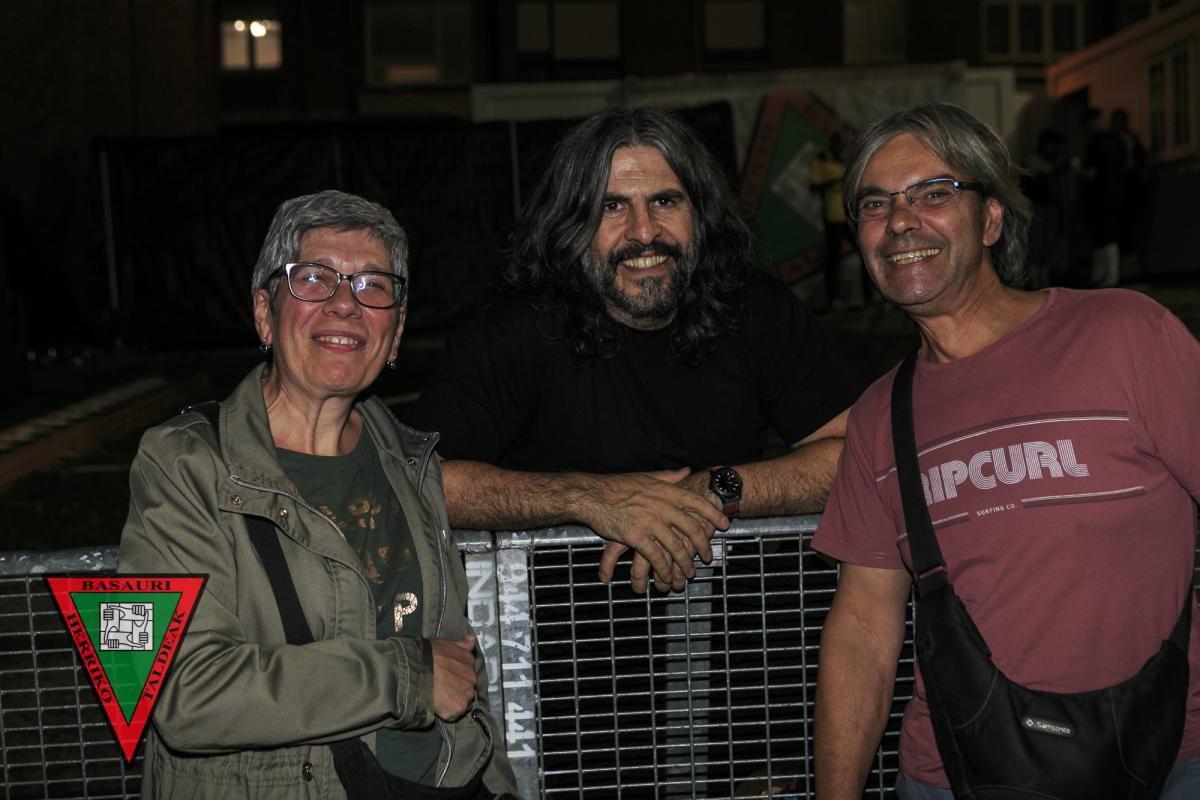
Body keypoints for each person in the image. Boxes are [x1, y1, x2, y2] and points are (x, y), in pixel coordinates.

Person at [811, 102, 1200, 799]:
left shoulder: (1126, 336)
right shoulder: (878, 416)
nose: (900, 221)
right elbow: (864, 626)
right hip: (953, 776)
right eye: (875, 203)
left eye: (933, 193)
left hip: (1168, 757)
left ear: (991, 219)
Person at [118, 191, 518, 798]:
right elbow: (178, 693)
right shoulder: (181, 465)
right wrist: (405, 676)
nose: (345, 304)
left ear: (396, 331)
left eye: (372, 285)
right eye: (313, 278)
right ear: (264, 313)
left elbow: (464, 675)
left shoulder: (410, 464)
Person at [406, 107, 863, 593]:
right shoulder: (515, 332)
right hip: (560, 636)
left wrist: (717, 490)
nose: (644, 232)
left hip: (728, 631)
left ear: (700, 213)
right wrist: (587, 497)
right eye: (612, 206)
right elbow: (417, 478)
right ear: (571, 222)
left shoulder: (756, 309)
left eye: (665, 201)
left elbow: (859, 456)